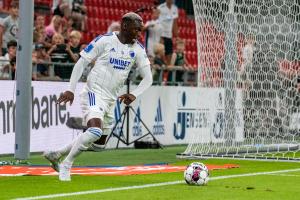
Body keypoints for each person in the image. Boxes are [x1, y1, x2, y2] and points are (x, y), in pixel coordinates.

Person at [43, 12, 153, 181]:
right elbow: (81, 62)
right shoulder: (105, 40)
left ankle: (56, 154)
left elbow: (148, 78)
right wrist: (70, 89)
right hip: (93, 92)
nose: (139, 34)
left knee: (99, 145)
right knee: (94, 130)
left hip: (111, 99)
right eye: (136, 30)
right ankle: (66, 164)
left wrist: (134, 94)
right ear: (125, 26)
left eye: (141, 30)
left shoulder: (138, 49)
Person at [158, 0, 178, 65]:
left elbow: (175, 23)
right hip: (161, 35)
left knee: (169, 55)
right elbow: (157, 22)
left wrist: (177, 36)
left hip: (169, 36)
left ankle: (167, 74)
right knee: (160, 56)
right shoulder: (160, 8)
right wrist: (160, 36)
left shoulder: (175, 8)